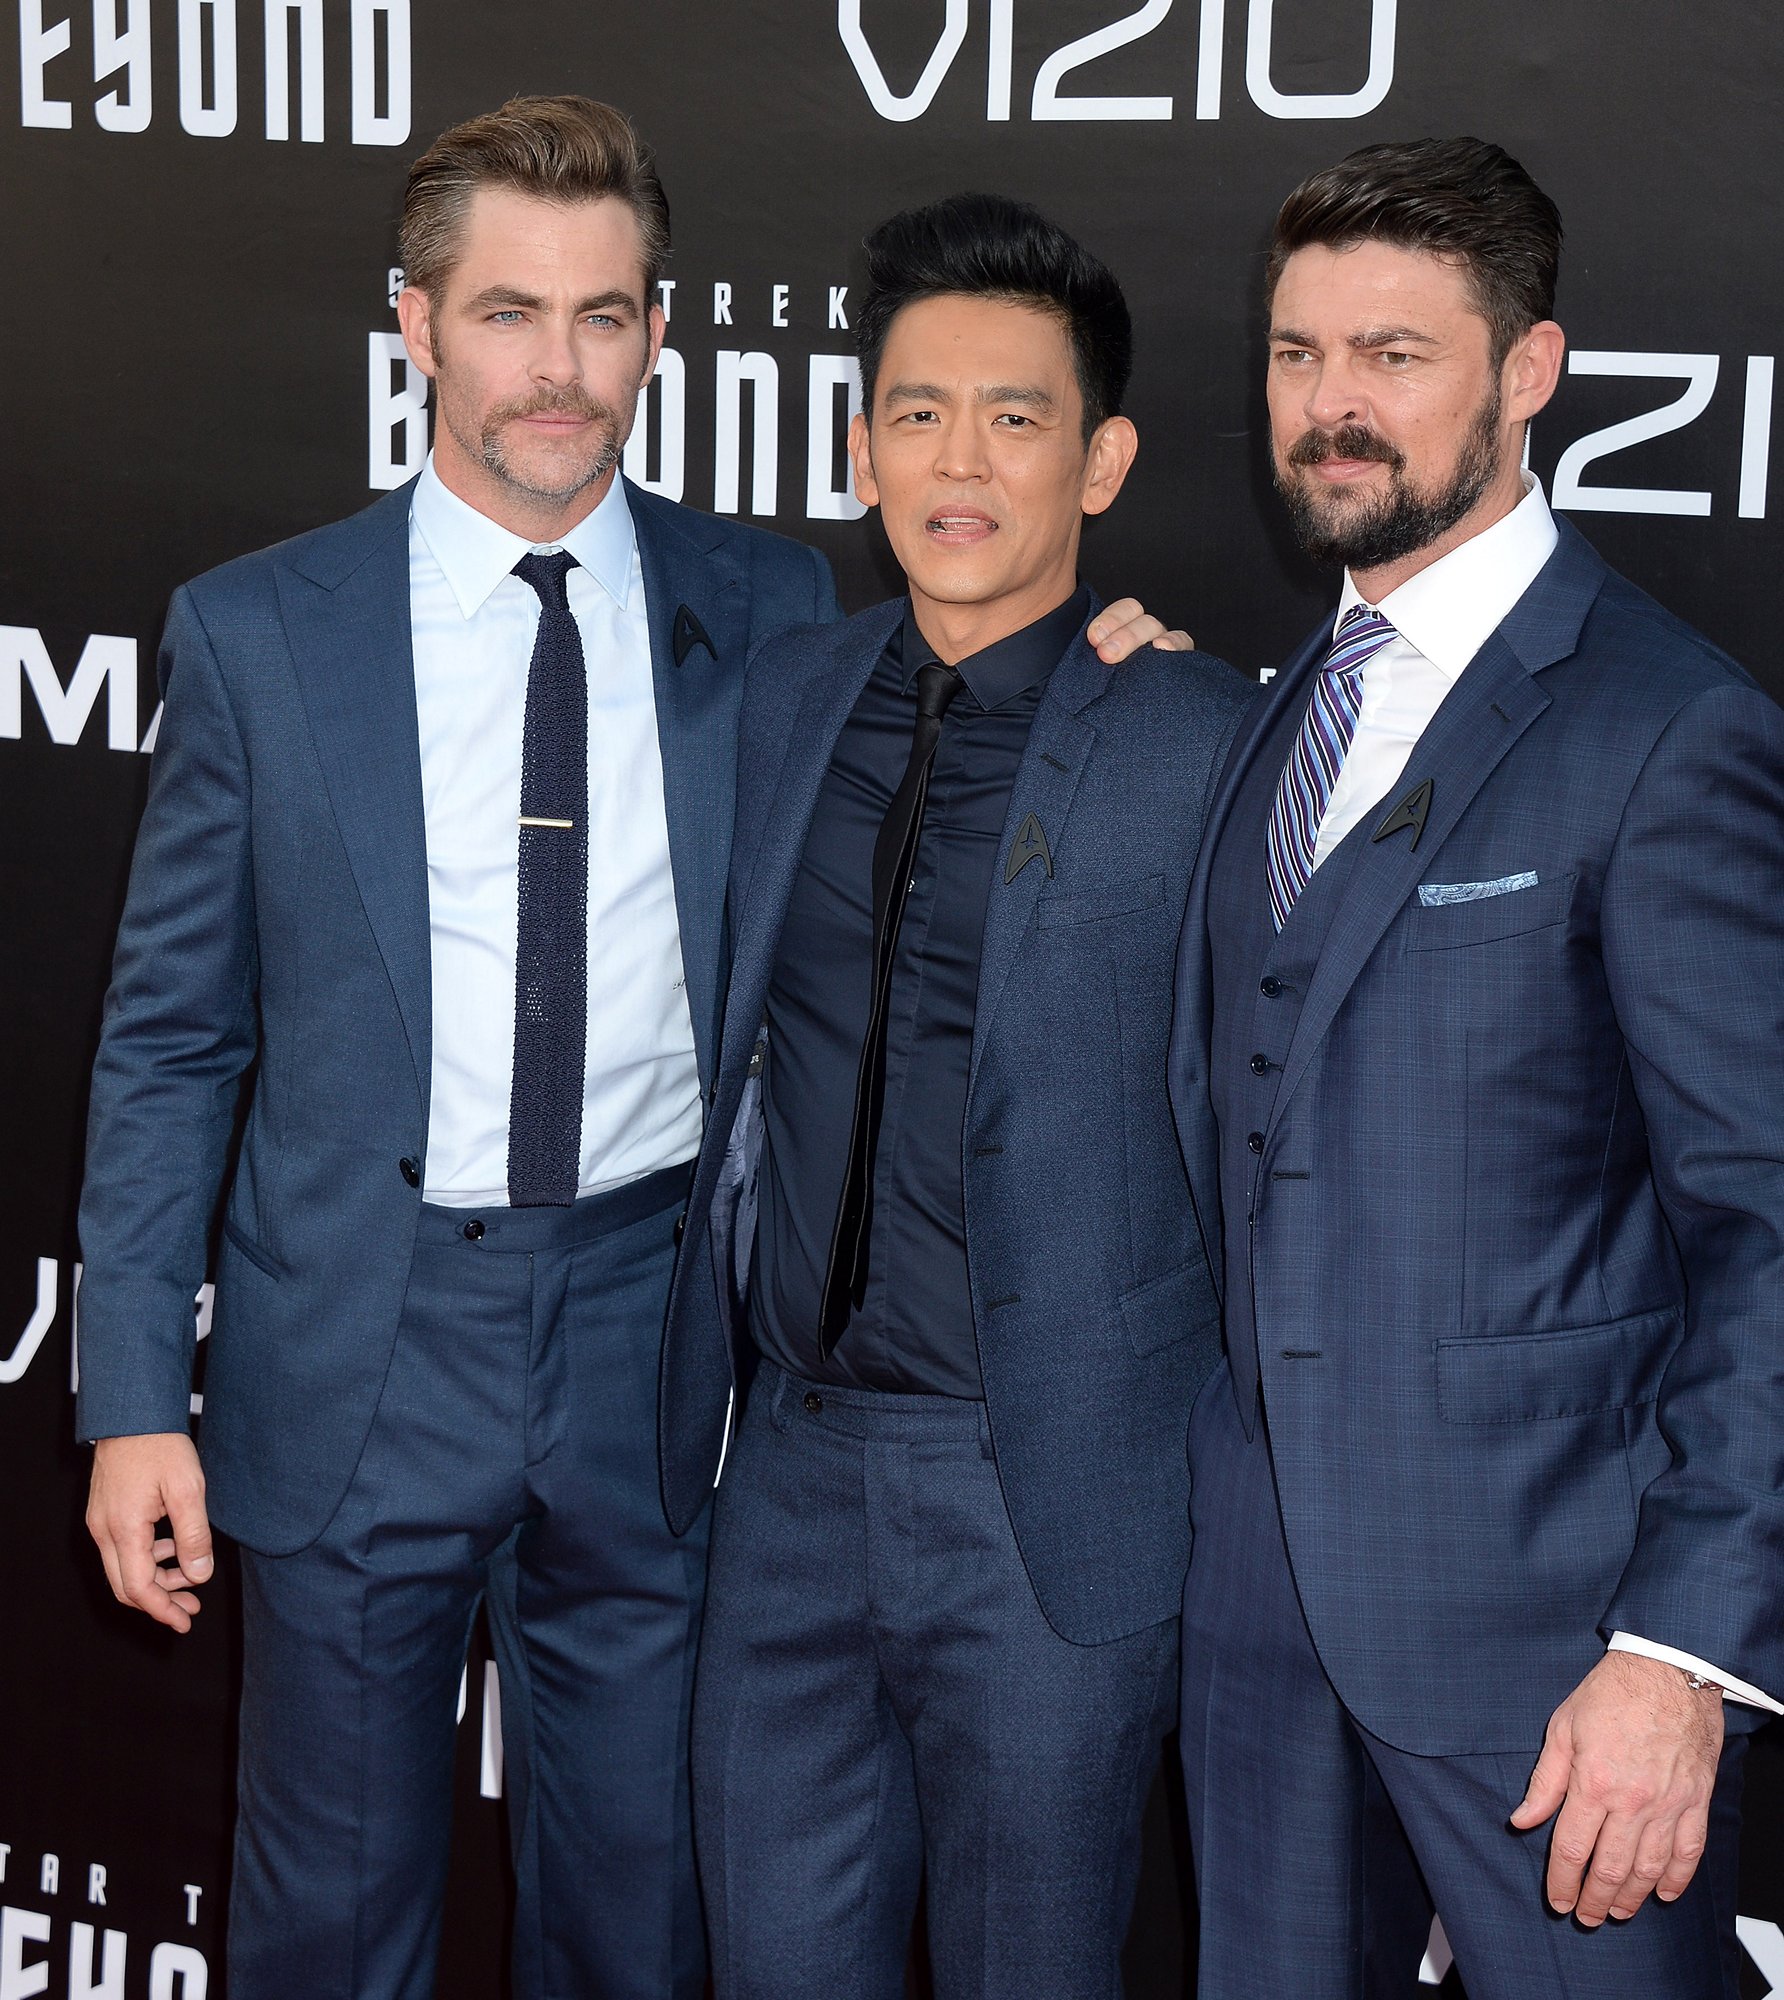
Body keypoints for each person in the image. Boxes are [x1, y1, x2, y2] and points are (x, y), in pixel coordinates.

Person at [74, 96, 1174, 2000]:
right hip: (360, 1343)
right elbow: (170, 1040)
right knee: (327, 1923)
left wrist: (1115, 676)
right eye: (509, 312)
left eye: (604, 316)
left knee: (639, 1924)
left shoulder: (771, 607)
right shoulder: (257, 634)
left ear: (659, 333)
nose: (558, 369)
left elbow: (979, 687)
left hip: (651, 1346)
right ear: (416, 325)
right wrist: (126, 1399)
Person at [1170, 136, 1784, 1999]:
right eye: (1298, 354)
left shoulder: (1668, 729)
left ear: (1529, 371)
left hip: (1559, 1662)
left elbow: (1766, 1226)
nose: (1331, 406)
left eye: (1394, 353)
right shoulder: (1281, 707)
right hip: (1258, 1639)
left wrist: (1678, 1657)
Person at [659, 192, 1255, 1999]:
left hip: (1043, 1502)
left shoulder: (1210, 743)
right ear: (862, 453)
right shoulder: (782, 698)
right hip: (786, 1481)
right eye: (919, 413)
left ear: (1103, 461)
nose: (962, 460)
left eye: (1016, 417)